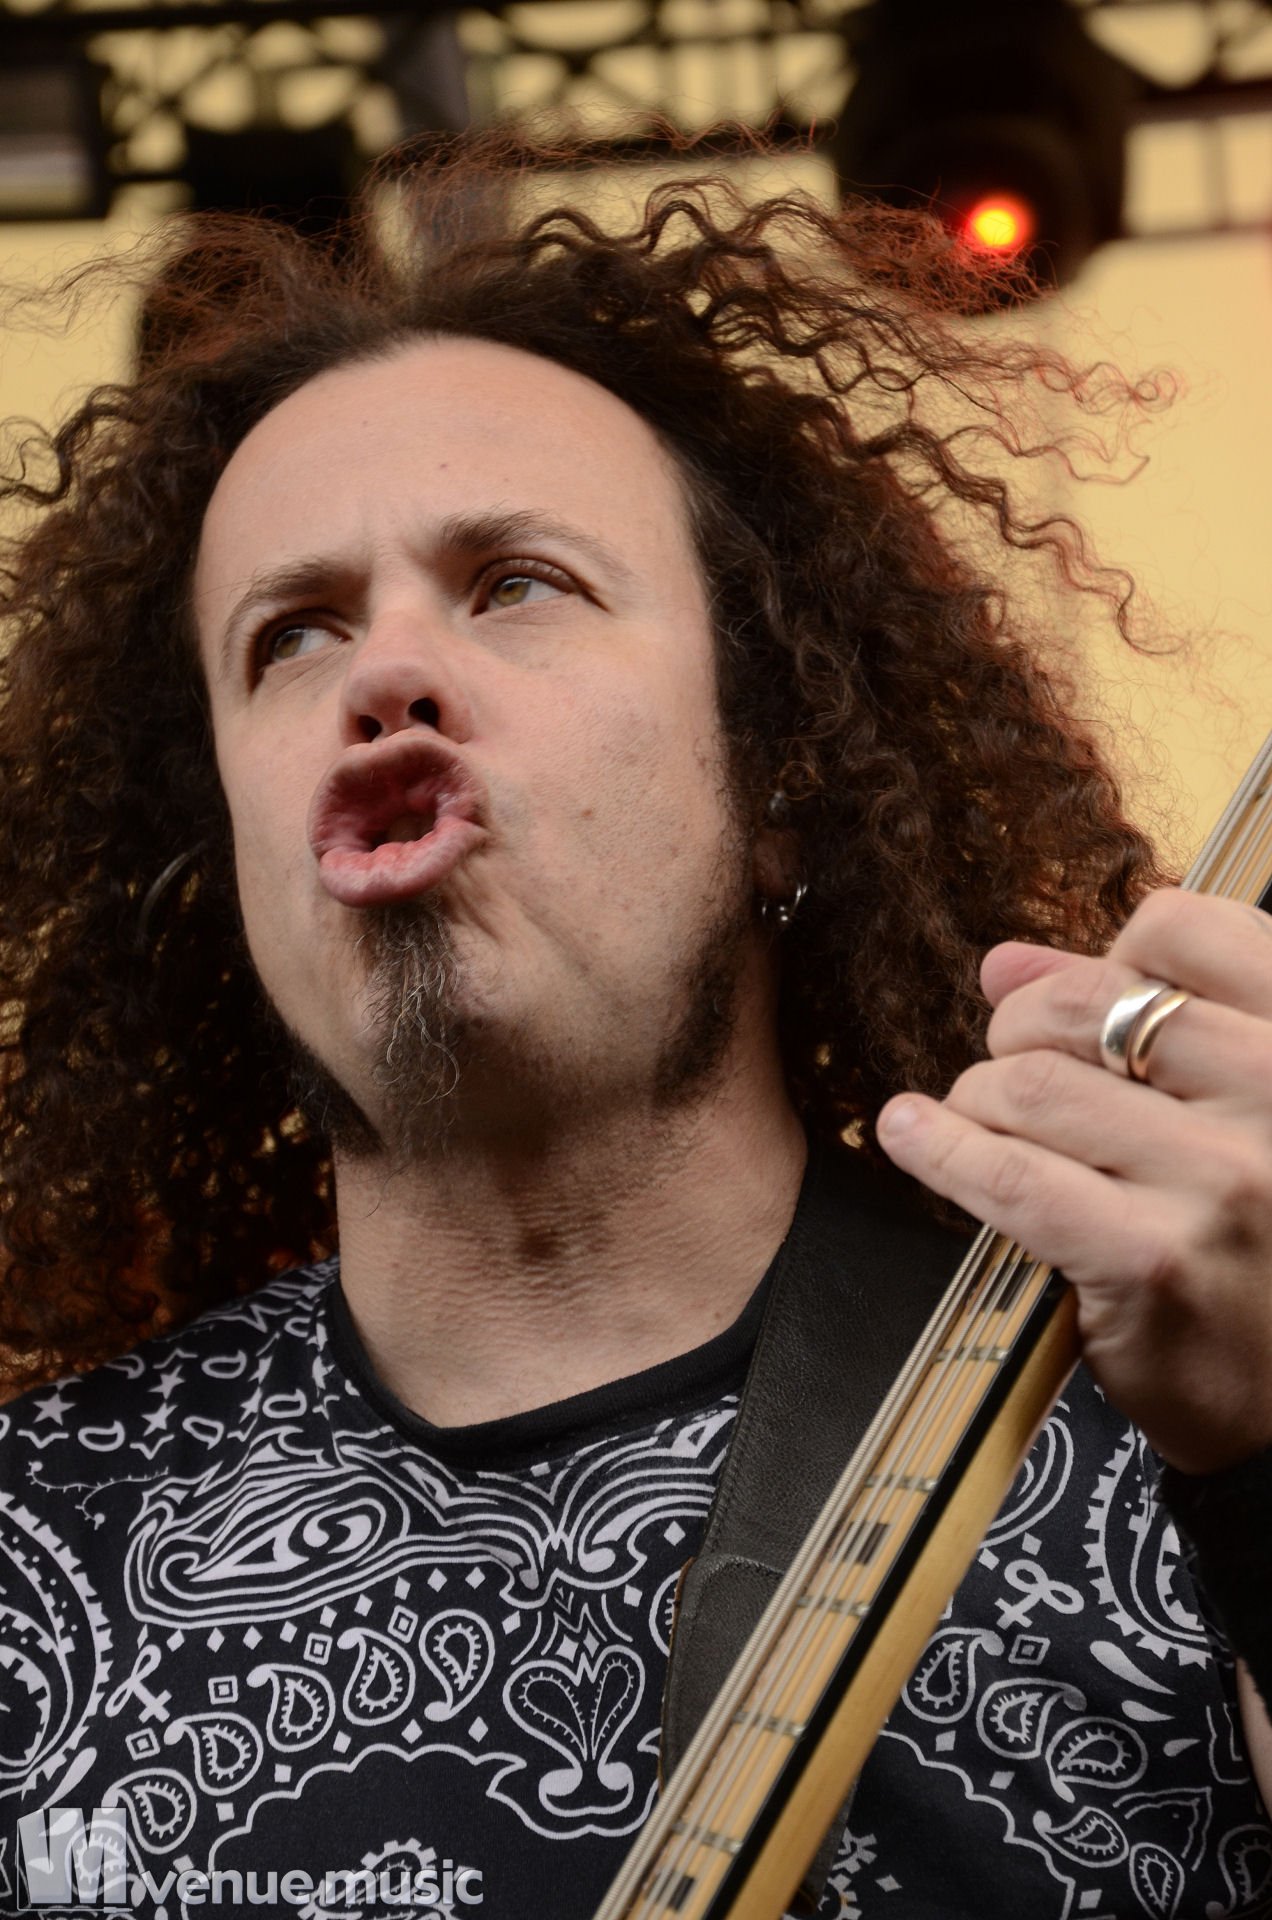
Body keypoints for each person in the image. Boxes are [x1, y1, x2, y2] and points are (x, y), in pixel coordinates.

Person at [1, 131, 1270, 1920]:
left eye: (518, 581)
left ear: (776, 780)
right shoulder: (33, 1546)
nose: (384, 673)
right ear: (225, 871)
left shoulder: (1166, 1405)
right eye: (290, 636)